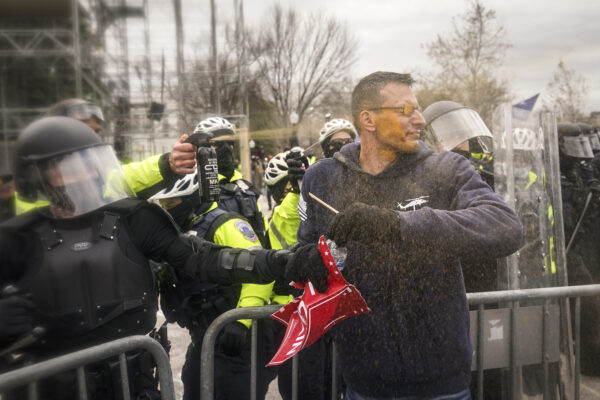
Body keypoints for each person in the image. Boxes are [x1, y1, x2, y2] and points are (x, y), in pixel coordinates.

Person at [0, 116, 327, 399]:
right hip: (51, 389)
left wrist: (282, 262)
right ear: (38, 177)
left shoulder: (133, 219)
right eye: (64, 168)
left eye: (85, 163)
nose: (79, 176)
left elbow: (204, 259)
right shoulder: (18, 240)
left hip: (132, 382)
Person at [295, 71, 523, 399]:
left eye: (419, 109)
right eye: (406, 111)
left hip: (442, 382)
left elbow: (505, 227)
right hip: (363, 381)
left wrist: (400, 225)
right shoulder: (323, 178)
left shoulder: (445, 169)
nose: (419, 119)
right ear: (368, 119)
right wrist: (307, 261)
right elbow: (308, 252)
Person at [14, 98, 196, 214]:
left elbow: (128, 176)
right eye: (80, 132)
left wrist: (169, 163)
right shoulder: (22, 206)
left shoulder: (98, 179)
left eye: (95, 133)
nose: (89, 141)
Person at [193, 117, 268, 246]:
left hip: (255, 261)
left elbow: (264, 232)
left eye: (230, 143)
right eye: (217, 144)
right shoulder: (194, 192)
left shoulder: (246, 189)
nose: (226, 149)